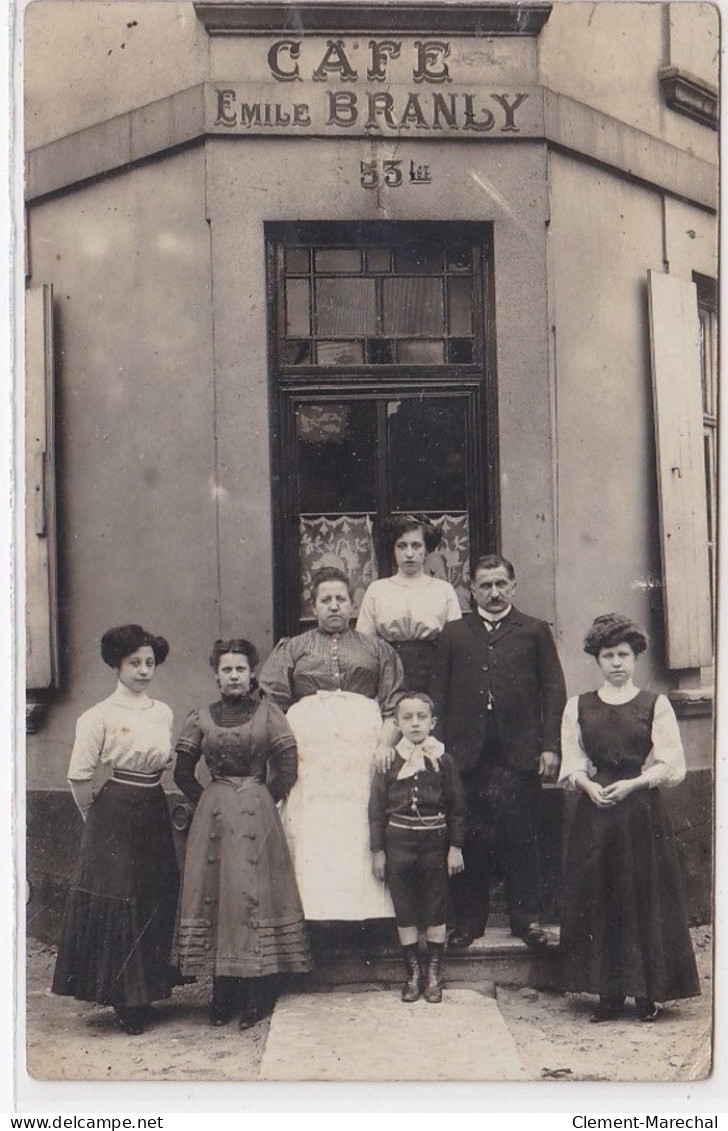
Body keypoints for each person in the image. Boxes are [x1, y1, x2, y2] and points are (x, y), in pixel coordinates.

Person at [558, 613, 700, 1022]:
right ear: (597, 660)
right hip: (596, 813)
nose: (617, 662)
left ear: (635, 658)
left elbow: (672, 764)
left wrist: (634, 784)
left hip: (640, 813)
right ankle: (607, 993)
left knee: (642, 898)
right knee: (600, 899)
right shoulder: (578, 706)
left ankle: (646, 994)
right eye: (608, 655)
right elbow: (573, 762)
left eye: (624, 654)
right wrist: (588, 787)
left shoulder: (655, 705)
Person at [173, 638, 312, 1030]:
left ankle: (257, 992)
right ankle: (223, 991)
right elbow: (182, 771)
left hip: (257, 811)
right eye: (226, 670)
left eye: (240, 669)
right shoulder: (200, 716)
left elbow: (288, 765)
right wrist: (209, 800)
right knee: (218, 897)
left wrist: (266, 795)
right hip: (214, 818)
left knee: (256, 896)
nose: (234, 676)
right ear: (216, 675)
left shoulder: (269, 713)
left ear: (252, 673)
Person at [430, 554, 567, 951]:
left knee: (522, 838)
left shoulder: (534, 631)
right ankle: (468, 923)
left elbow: (553, 691)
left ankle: (526, 921)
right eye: (485, 585)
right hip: (466, 753)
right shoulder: (454, 633)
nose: (493, 593)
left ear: (513, 586)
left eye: (500, 584)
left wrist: (549, 746)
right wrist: (438, 750)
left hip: (518, 753)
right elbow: (438, 693)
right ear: (471, 590)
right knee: (468, 837)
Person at [52, 624, 179, 1035]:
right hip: (115, 810)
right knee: (120, 899)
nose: (143, 671)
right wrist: (95, 818)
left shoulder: (162, 712)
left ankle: (149, 989)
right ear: (116, 665)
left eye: (149, 663)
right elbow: (78, 776)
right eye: (134, 663)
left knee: (153, 895)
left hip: (154, 807)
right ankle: (126, 1001)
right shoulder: (98, 716)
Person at [259, 566, 405, 921]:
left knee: (358, 818)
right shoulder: (292, 648)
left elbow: (394, 703)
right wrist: (285, 752)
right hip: (311, 754)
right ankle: (313, 911)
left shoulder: (377, 649)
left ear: (353, 603)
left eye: (341, 599)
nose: (335, 606)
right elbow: (273, 705)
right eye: (326, 600)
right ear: (314, 606)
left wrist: (385, 745)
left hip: (361, 751)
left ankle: (366, 913)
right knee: (314, 823)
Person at [369, 692, 467, 1004]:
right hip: (398, 842)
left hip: (435, 842)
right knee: (405, 905)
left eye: (421, 717)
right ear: (396, 723)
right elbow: (375, 810)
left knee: (436, 903)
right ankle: (413, 972)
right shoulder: (388, 761)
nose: (414, 724)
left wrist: (456, 848)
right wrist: (377, 851)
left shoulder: (443, 760)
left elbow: (458, 809)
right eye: (407, 718)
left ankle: (434, 972)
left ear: (432, 722)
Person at [356, 514, 462, 690]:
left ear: (426, 549)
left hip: (434, 674)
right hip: (388, 674)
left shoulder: (443, 590)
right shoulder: (378, 590)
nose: (410, 553)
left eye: (416, 545)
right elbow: (365, 644)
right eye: (402, 546)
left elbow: (456, 642)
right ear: (393, 549)